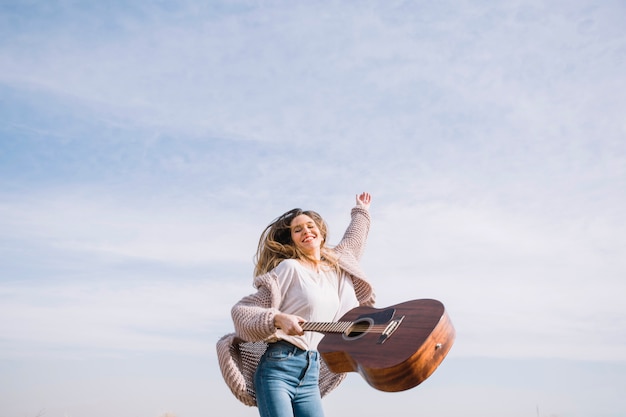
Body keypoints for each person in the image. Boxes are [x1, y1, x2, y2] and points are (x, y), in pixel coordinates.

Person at [216, 192, 376, 417]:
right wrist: (277, 319)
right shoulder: (289, 269)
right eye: (297, 230)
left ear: (321, 234)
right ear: (292, 240)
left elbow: (354, 239)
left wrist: (361, 210)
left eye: (310, 226)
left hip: (311, 372)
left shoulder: (339, 266)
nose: (306, 232)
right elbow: (242, 311)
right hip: (278, 368)